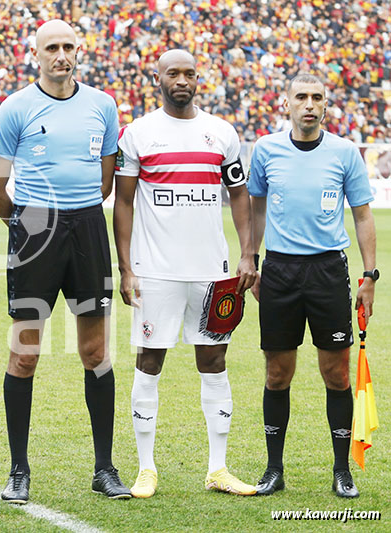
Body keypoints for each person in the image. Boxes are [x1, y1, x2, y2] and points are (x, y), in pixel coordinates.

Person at [0, 20, 127, 503]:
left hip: (87, 227)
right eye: (51, 48)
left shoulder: (102, 105)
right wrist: (26, 225)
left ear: (78, 52)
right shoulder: (16, 107)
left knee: (96, 353)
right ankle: (18, 471)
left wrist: (74, 212)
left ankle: (104, 468)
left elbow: (105, 181)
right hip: (35, 230)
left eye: (68, 46)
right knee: (24, 354)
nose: (61, 55)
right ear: (36, 55)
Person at [113, 49, 257, 499]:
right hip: (155, 272)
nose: (181, 80)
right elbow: (123, 201)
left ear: (198, 80)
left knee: (214, 362)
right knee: (149, 362)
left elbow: (239, 195)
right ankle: (145, 468)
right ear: (157, 78)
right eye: (172, 73)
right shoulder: (138, 133)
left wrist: (248, 254)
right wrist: (126, 267)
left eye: (189, 73)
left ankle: (218, 468)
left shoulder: (221, 132)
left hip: (211, 272)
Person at [249, 73, 377, 499]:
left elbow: (362, 215)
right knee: (277, 372)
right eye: (301, 97)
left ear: (326, 105)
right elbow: (256, 209)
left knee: (336, 373)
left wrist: (370, 276)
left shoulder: (344, 152)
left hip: (327, 272)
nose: (309, 104)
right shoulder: (266, 149)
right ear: (286, 104)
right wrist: (251, 259)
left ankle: (342, 470)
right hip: (280, 272)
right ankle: (274, 469)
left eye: (316, 97)